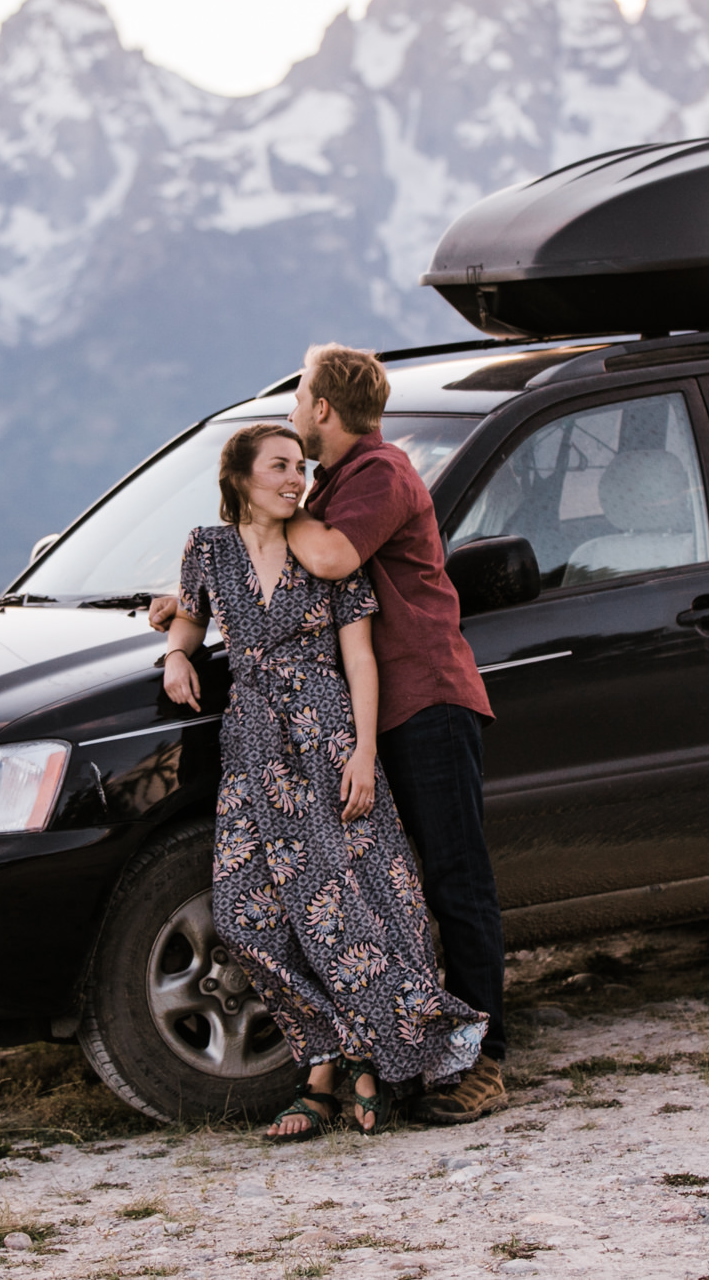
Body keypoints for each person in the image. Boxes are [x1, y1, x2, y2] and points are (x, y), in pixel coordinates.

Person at [162, 421, 484, 1140]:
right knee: (249, 915)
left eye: (301, 466)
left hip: (325, 737)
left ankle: (340, 1076)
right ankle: (337, 1049)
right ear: (239, 476)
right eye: (278, 466)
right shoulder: (206, 548)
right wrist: (177, 656)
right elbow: (187, 618)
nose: (295, 478)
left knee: (341, 909)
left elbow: (361, 659)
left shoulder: (329, 556)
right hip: (251, 746)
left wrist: (365, 751)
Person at [286, 342, 508, 1125]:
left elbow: (333, 557)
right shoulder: (332, 483)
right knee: (399, 891)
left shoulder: (380, 474)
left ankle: (483, 1061)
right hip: (382, 713)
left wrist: (259, 506)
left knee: (456, 882)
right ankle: (424, 1050)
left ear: (323, 408)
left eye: (299, 397)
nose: (292, 411)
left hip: (426, 701)